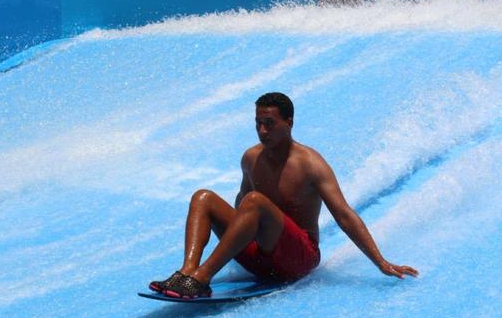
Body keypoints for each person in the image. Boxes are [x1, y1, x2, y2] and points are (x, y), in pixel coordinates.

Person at [150, 92, 418, 299]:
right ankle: (186, 273)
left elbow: (344, 215)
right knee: (203, 197)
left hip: (297, 260)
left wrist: (381, 262)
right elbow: (238, 207)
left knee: (254, 201)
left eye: (269, 123)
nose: (262, 131)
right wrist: (235, 237)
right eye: (258, 123)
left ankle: (201, 279)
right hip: (261, 257)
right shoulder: (251, 158)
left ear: (288, 123)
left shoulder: (310, 164)